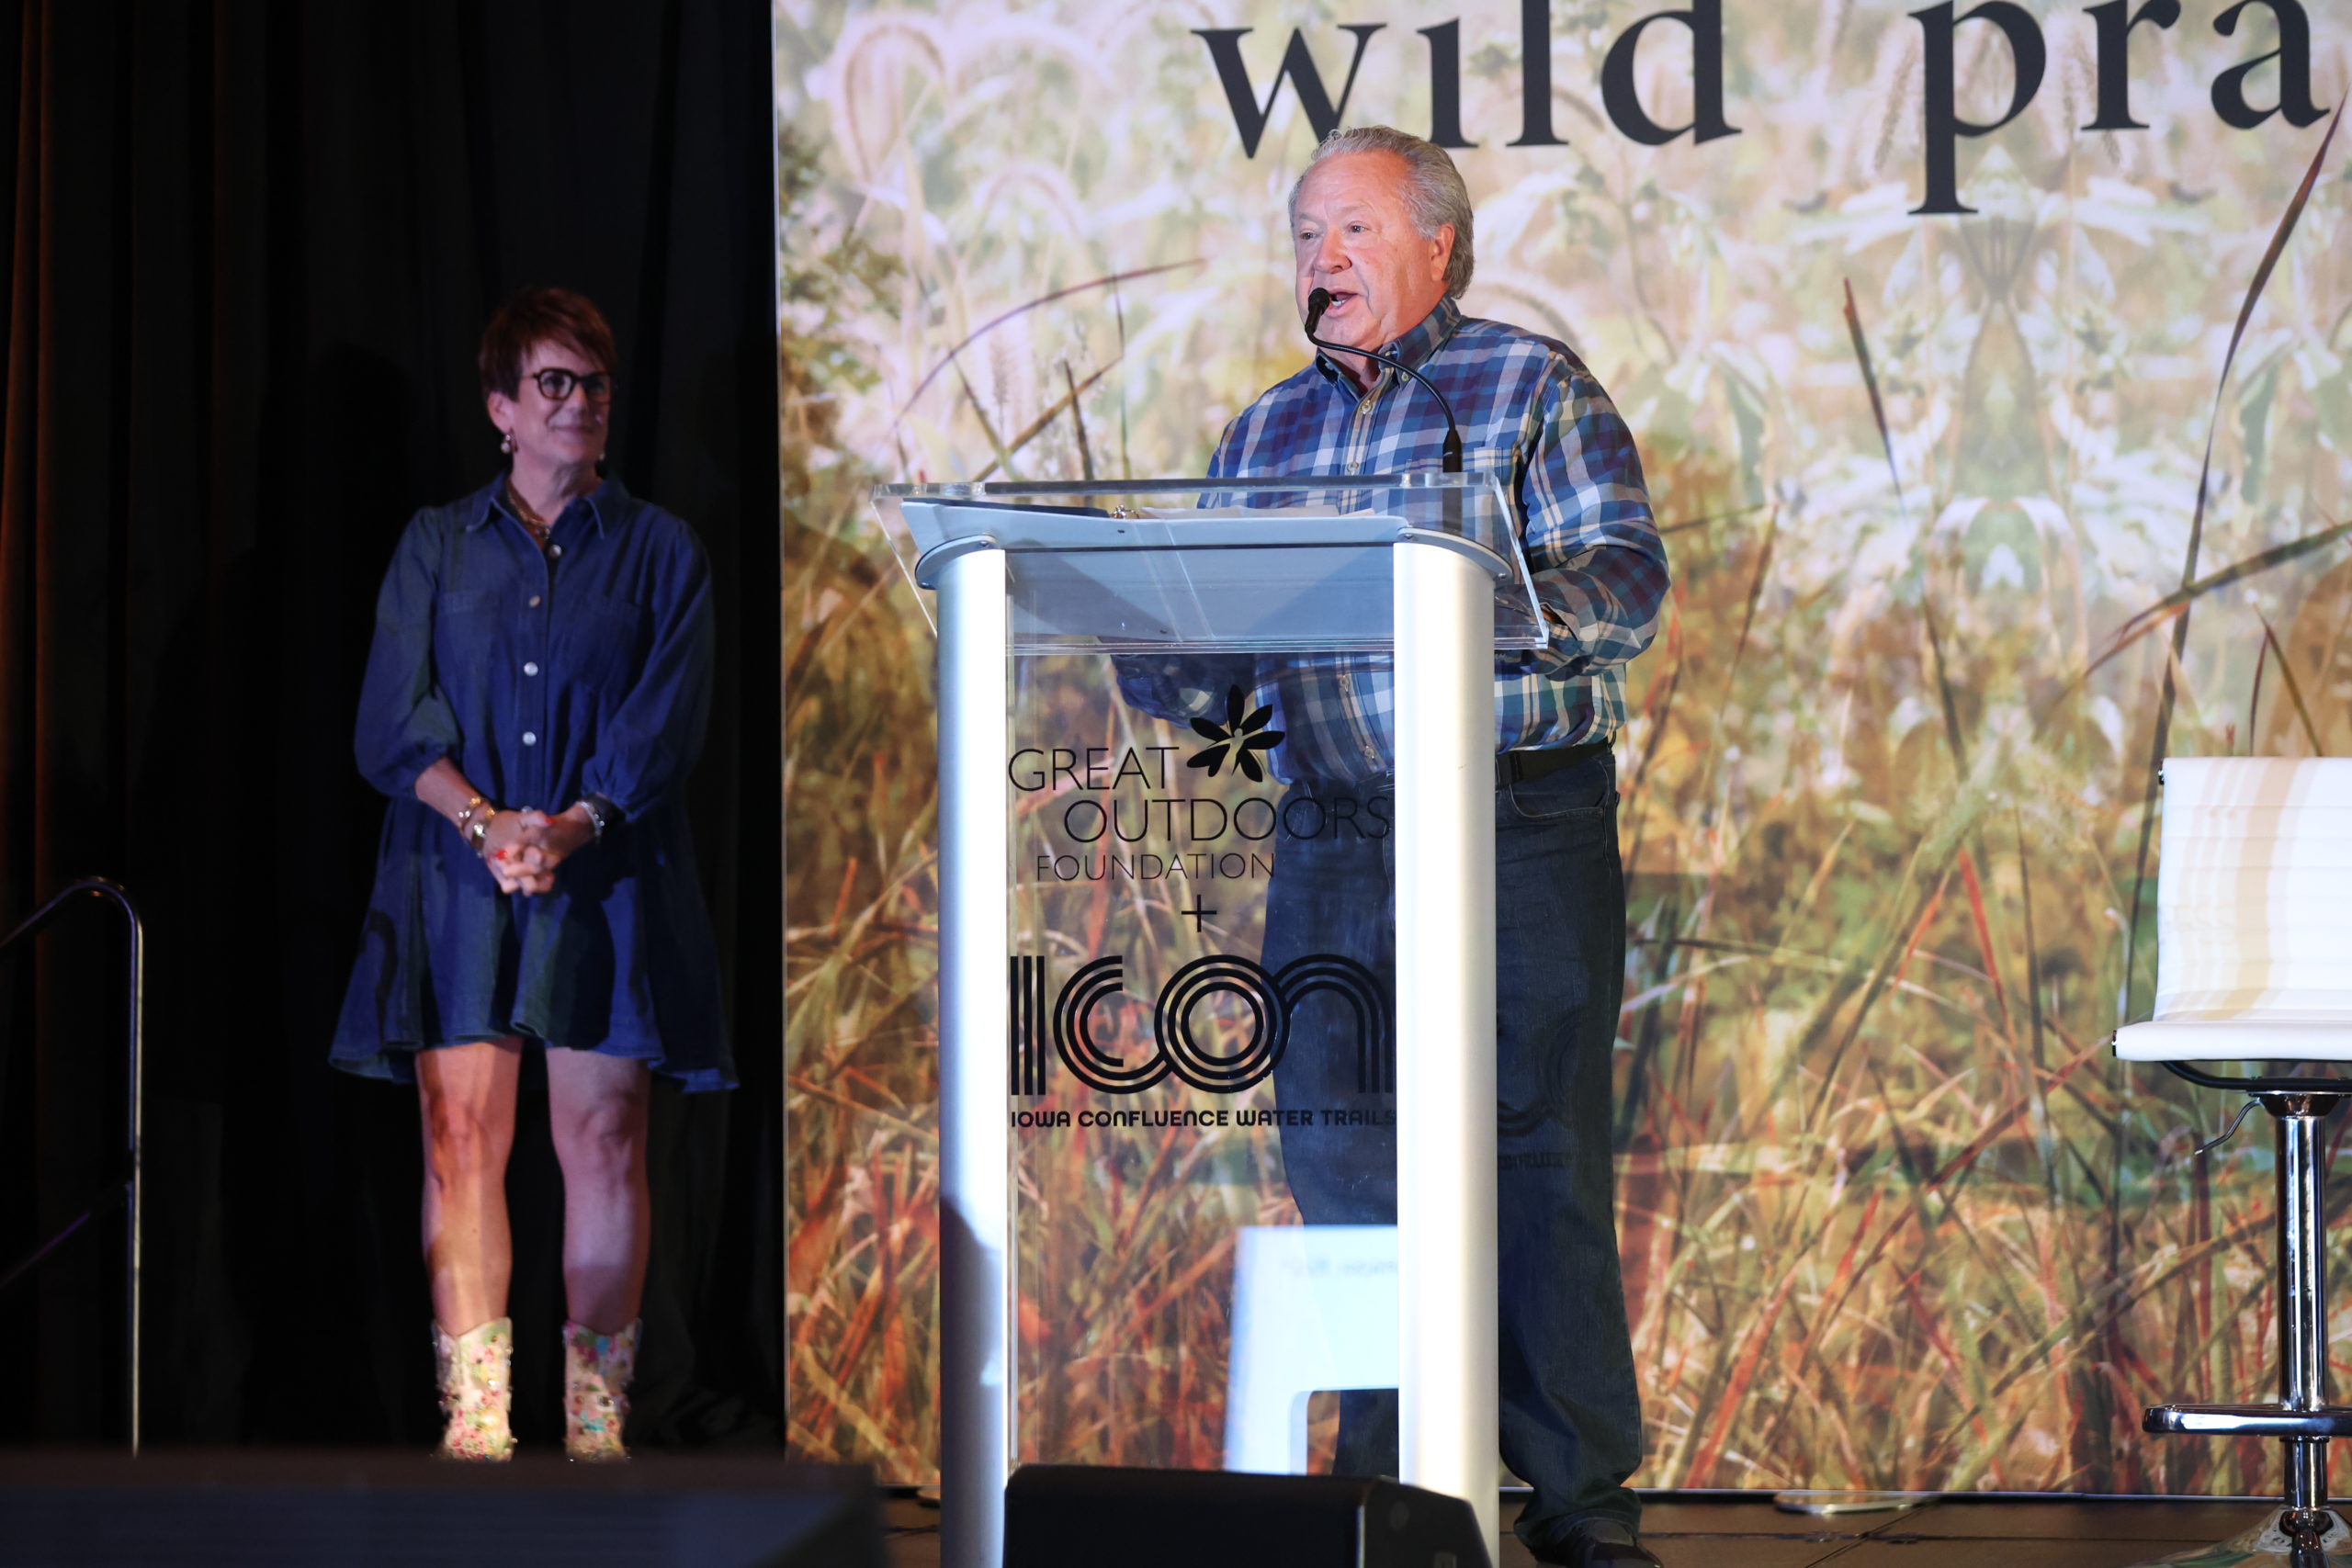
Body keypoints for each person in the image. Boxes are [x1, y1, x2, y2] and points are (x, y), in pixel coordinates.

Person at [1121, 127, 1668, 1565]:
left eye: (1351, 231)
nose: (1322, 260)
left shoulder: (1529, 385)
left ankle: (1582, 1508)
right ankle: (1400, 1502)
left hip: (1516, 813)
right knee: (1348, 1157)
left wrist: (1439, 594)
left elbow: (1624, 580)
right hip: (1337, 829)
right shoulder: (1263, 436)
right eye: (1305, 235)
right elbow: (1210, 680)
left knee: (1533, 1150)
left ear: (1437, 244)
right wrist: (1155, 636)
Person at [331, 287, 732, 1461]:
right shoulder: (435, 543)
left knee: (603, 1139)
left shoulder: (662, 550)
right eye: (554, 384)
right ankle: (480, 1437)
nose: (581, 404)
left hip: (602, 872)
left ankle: (597, 1440)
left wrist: (569, 824)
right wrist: (488, 825)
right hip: (460, 876)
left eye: (595, 384)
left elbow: (665, 721)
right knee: (461, 1138)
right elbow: (390, 721)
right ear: (502, 407)